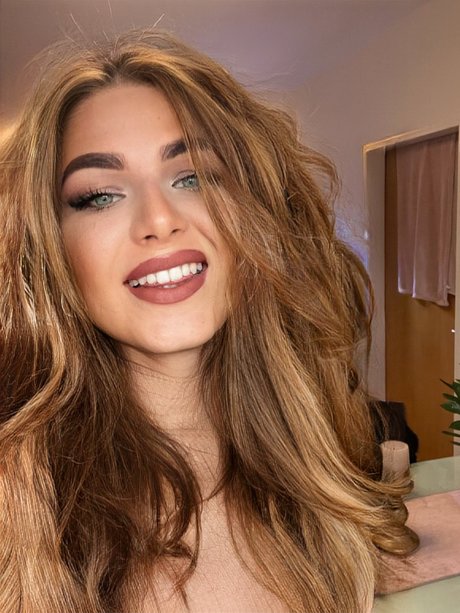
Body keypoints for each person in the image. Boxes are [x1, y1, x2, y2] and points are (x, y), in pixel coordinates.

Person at [0, 29, 418, 613]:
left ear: (255, 214)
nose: (159, 220)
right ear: (49, 250)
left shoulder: (315, 449)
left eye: (193, 176)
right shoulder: (19, 509)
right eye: (99, 196)